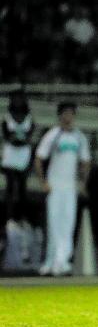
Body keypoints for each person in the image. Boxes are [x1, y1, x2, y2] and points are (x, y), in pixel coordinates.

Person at [34, 102, 91, 276]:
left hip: (70, 187)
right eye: (65, 113)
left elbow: (86, 162)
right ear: (60, 115)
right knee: (53, 224)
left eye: (71, 114)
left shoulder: (79, 138)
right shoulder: (53, 135)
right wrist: (43, 182)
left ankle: (62, 261)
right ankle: (51, 261)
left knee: (67, 223)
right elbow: (38, 158)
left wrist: (82, 183)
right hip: (54, 186)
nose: (68, 117)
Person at [1, 95, 35, 258]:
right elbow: (8, 137)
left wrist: (19, 139)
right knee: (10, 187)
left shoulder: (29, 119)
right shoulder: (7, 119)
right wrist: (18, 140)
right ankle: (9, 218)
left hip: (23, 156)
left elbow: (29, 137)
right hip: (10, 156)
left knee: (22, 188)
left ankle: (22, 217)